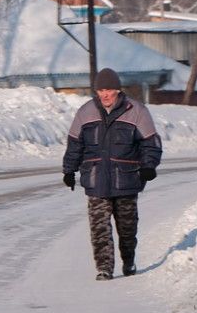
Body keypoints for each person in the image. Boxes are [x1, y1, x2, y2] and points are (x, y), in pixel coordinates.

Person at [63, 67, 162, 280]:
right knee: (99, 228)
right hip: (95, 179)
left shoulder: (136, 111)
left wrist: (148, 166)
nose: (105, 94)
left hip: (126, 179)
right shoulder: (85, 112)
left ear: (117, 90)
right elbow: (74, 145)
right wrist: (69, 170)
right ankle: (104, 268)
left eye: (109, 90)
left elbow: (151, 144)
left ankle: (129, 260)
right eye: (100, 90)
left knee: (127, 228)